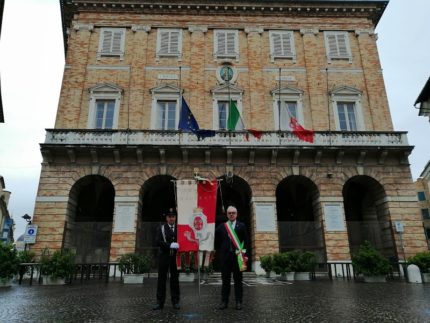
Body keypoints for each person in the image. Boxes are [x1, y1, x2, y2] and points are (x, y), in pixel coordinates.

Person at [215, 205, 249, 310]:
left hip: (238, 257)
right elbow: (216, 240)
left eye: (233, 213)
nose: (231, 214)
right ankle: (224, 302)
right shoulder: (222, 226)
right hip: (225, 258)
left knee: (238, 280)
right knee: (225, 281)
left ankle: (239, 302)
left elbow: (246, 241)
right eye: (229, 213)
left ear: (236, 214)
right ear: (227, 214)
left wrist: (246, 255)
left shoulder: (242, 226)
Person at [152, 208, 180, 310]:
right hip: (164, 256)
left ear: (175, 217)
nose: (171, 218)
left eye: (173, 216)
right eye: (169, 216)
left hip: (175, 257)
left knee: (175, 280)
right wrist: (169, 245)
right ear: (166, 218)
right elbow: (157, 241)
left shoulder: (179, 228)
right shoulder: (162, 228)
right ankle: (160, 302)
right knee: (161, 280)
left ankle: (175, 301)